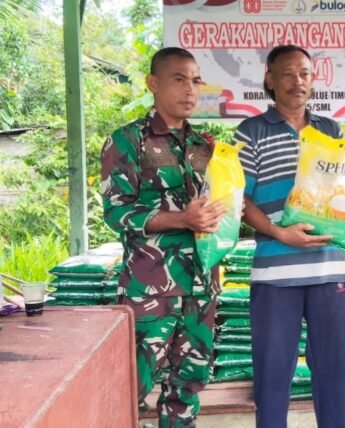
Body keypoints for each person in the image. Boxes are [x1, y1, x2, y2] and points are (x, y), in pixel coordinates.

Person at [233, 44, 345, 428]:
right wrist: (279, 232)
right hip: (276, 271)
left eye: (305, 73)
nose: (298, 81)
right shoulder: (251, 132)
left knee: (333, 371)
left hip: (328, 267)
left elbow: (338, 195)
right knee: (273, 373)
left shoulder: (330, 130)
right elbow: (240, 199)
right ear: (270, 79)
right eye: (288, 74)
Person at [101, 47, 224, 427]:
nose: (190, 90)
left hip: (201, 286)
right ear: (153, 83)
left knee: (188, 385)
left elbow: (223, 205)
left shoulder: (206, 146)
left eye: (196, 81)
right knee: (131, 384)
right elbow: (116, 212)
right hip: (151, 288)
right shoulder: (128, 141)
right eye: (179, 79)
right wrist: (181, 218)